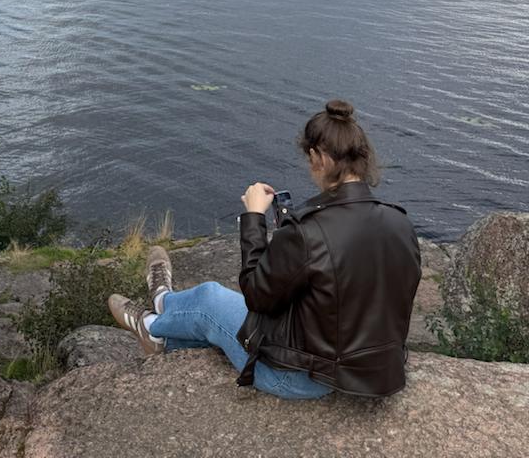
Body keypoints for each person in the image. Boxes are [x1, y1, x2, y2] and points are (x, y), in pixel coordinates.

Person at [107, 99, 422, 399]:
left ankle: (155, 324)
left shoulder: (310, 230)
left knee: (210, 300)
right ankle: (166, 309)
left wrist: (254, 218)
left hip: (303, 378)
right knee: (212, 314)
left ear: (321, 159)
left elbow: (257, 297)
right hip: (376, 372)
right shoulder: (400, 222)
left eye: (310, 160)